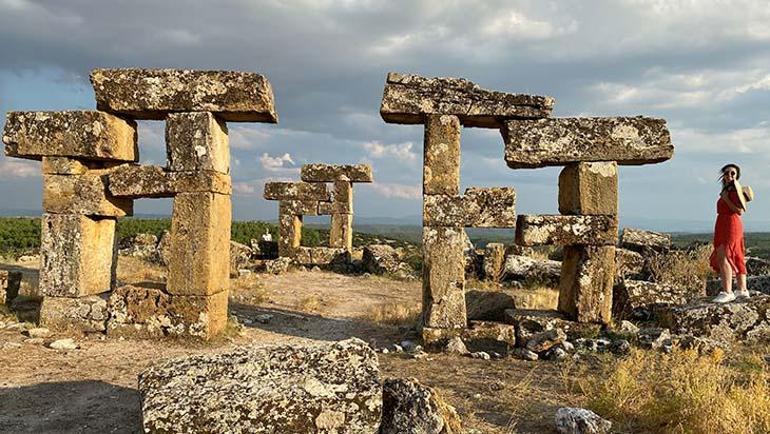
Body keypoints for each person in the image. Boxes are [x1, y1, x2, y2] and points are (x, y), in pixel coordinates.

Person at [710, 164, 749, 303]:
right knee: (735, 254)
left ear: (737, 176)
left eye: (733, 173)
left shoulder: (735, 192)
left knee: (724, 255)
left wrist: (725, 199)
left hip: (731, 224)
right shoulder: (728, 190)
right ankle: (742, 289)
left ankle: (728, 291)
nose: (729, 176)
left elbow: (740, 211)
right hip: (723, 223)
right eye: (727, 173)